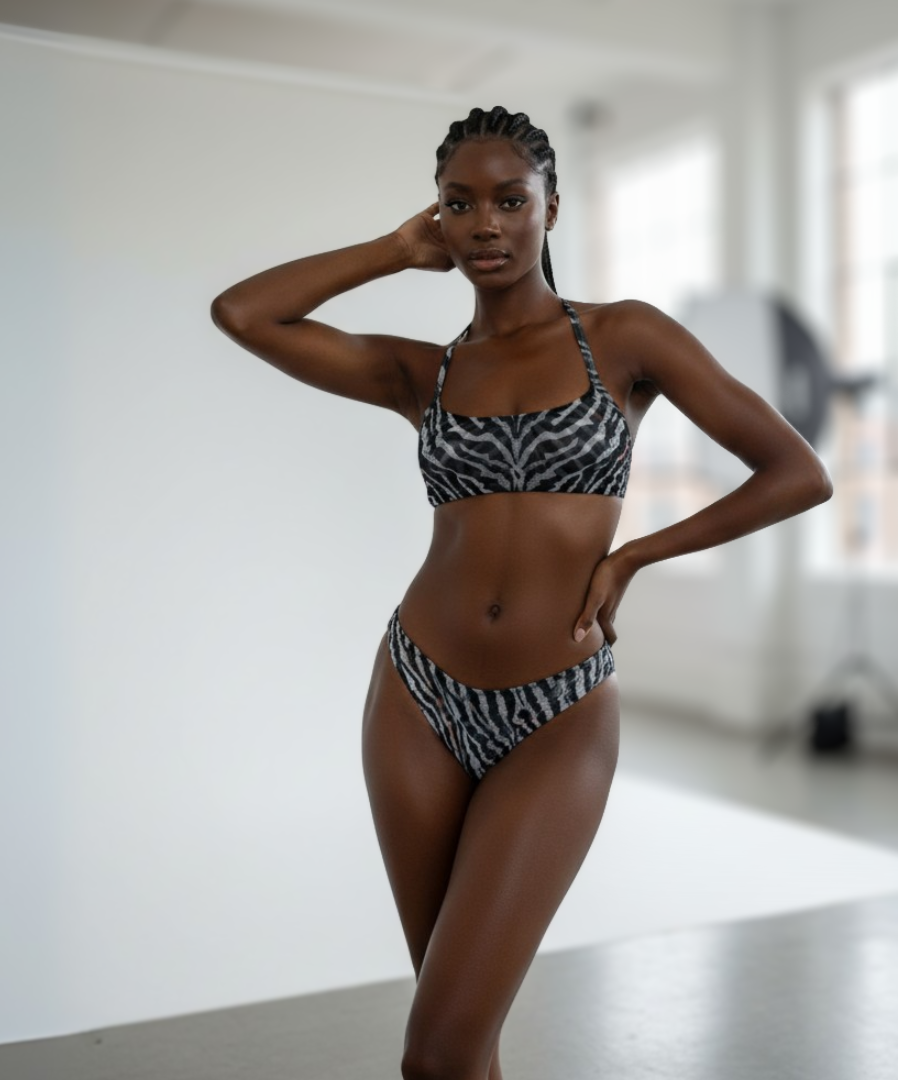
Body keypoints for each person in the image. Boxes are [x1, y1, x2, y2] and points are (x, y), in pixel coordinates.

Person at [211, 105, 832, 1080]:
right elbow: (242, 314)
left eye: (509, 200)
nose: (485, 225)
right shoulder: (423, 370)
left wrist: (633, 558)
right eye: (460, 205)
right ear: (439, 221)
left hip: (560, 705)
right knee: (461, 1035)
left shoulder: (624, 339)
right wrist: (388, 249)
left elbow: (797, 472)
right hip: (417, 693)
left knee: (440, 1045)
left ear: (552, 207)